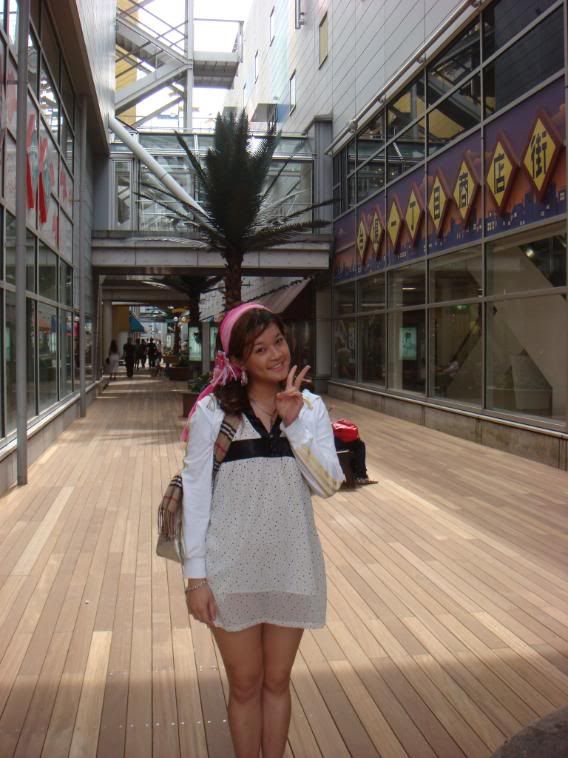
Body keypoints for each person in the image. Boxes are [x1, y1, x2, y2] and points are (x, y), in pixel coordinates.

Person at [181, 303, 344, 758]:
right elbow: (196, 494)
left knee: (277, 681)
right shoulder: (212, 412)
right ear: (239, 359)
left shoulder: (310, 408)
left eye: (279, 342)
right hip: (230, 568)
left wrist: (295, 425)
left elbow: (329, 485)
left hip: (291, 563)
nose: (276, 354)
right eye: (260, 348)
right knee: (245, 683)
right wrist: (195, 578)